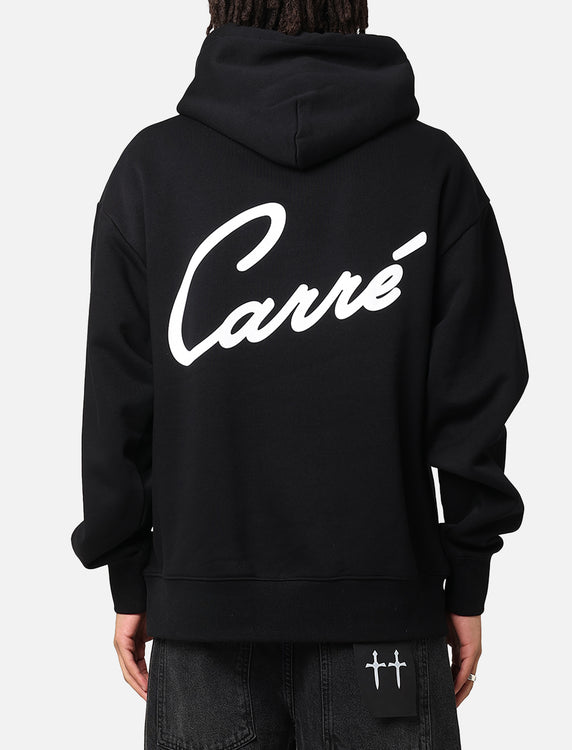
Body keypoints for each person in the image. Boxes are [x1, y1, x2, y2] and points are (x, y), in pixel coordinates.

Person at [70, 1, 529, 748]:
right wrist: (467, 578)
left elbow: (118, 399)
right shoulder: (432, 169)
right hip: (386, 622)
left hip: (203, 622)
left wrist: (129, 574)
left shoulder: (153, 170)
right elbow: (475, 395)